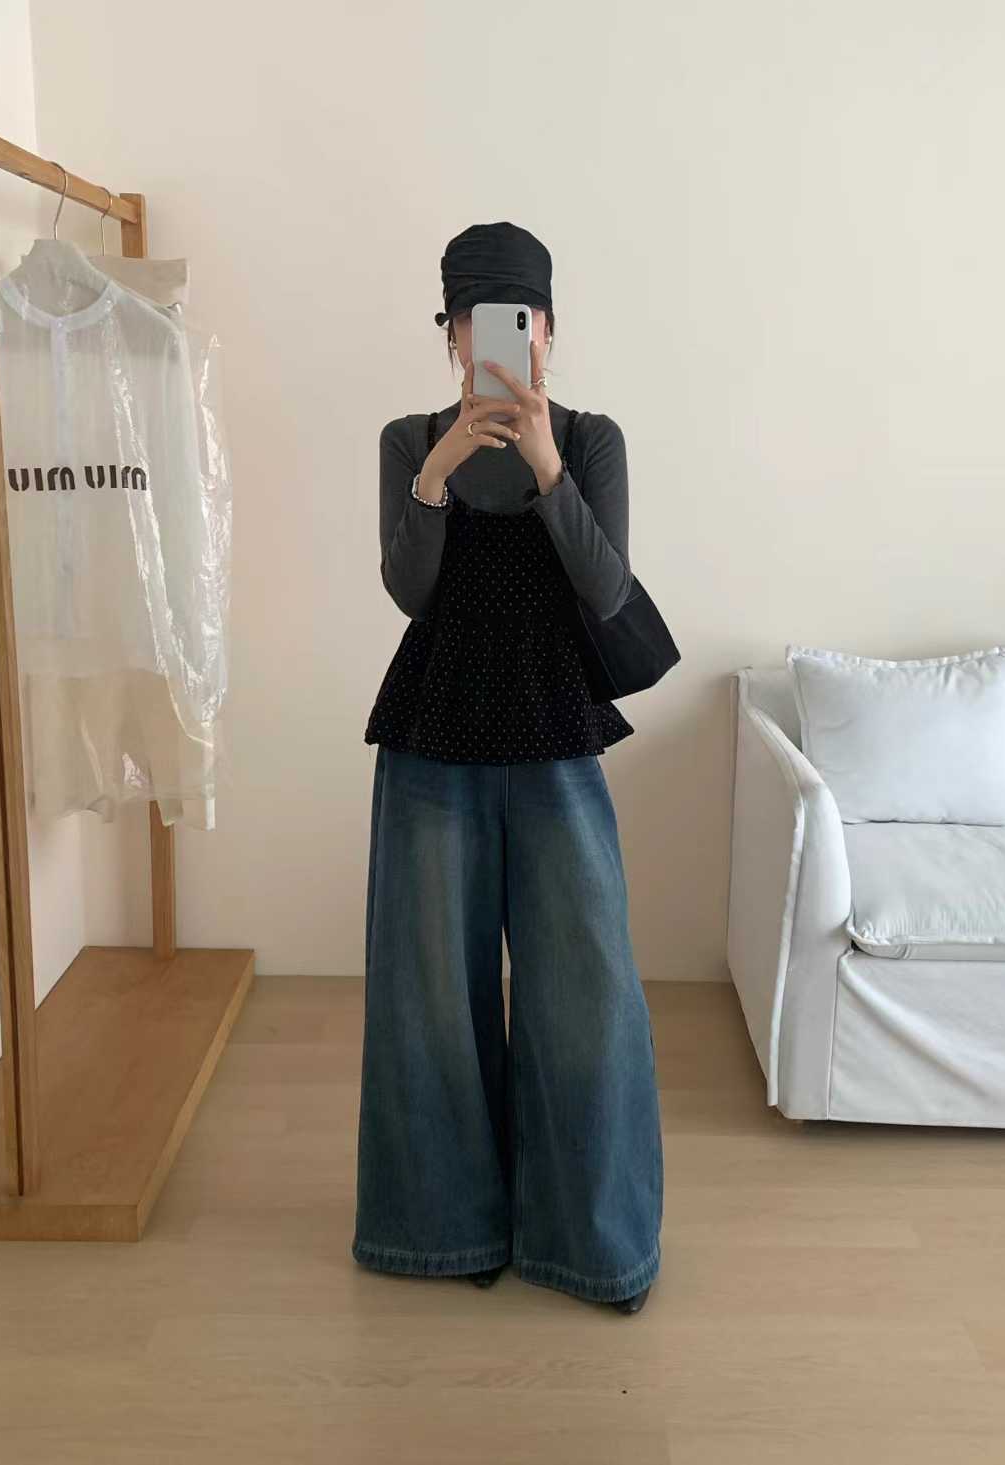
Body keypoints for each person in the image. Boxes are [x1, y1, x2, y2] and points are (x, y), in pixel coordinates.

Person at [352, 221, 663, 1315]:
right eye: (475, 322)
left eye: (518, 321)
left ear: (548, 329)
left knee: (586, 993)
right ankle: (444, 1232)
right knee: (429, 995)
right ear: (451, 334)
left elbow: (607, 590)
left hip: (555, 732)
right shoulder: (408, 439)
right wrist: (437, 472)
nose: (499, 341)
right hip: (433, 736)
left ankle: (592, 1243)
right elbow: (411, 594)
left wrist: (543, 464)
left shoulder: (591, 439)